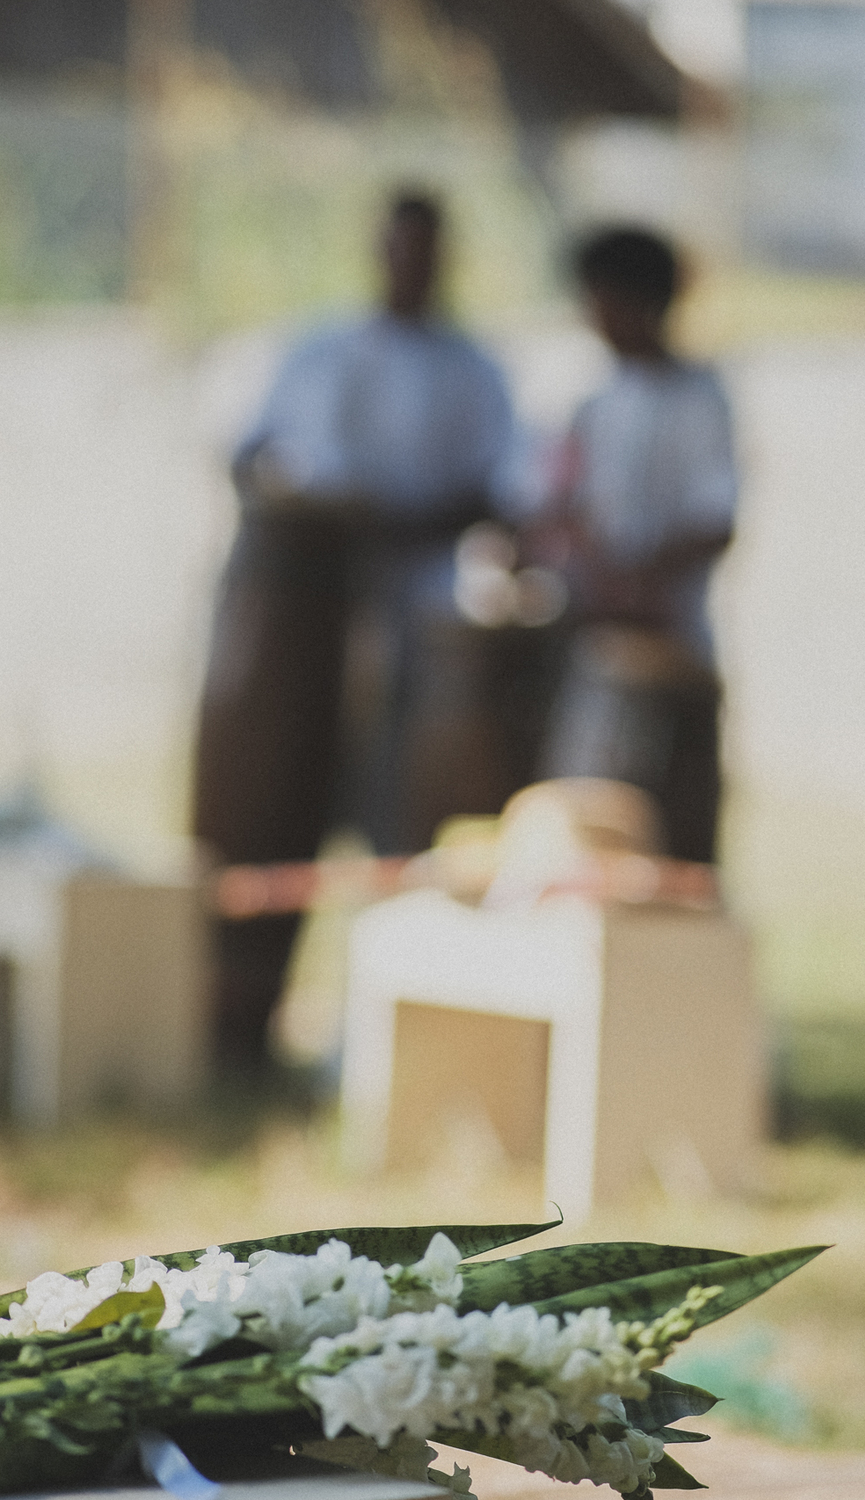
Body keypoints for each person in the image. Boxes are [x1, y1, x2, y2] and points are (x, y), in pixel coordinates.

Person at [193, 191, 513, 1070]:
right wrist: (314, 514)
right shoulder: (317, 350)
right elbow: (248, 457)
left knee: (399, 828)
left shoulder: (472, 372)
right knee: (267, 823)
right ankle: (239, 1025)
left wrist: (392, 528)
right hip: (297, 628)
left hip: (415, 628)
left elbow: (498, 492)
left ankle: (382, 1041)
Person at [528, 227, 737, 863]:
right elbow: (557, 505)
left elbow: (716, 519)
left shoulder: (699, 400)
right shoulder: (592, 403)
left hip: (672, 637)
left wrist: (641, 577)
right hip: (591, 631)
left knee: (668, 821)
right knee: (581, 816)